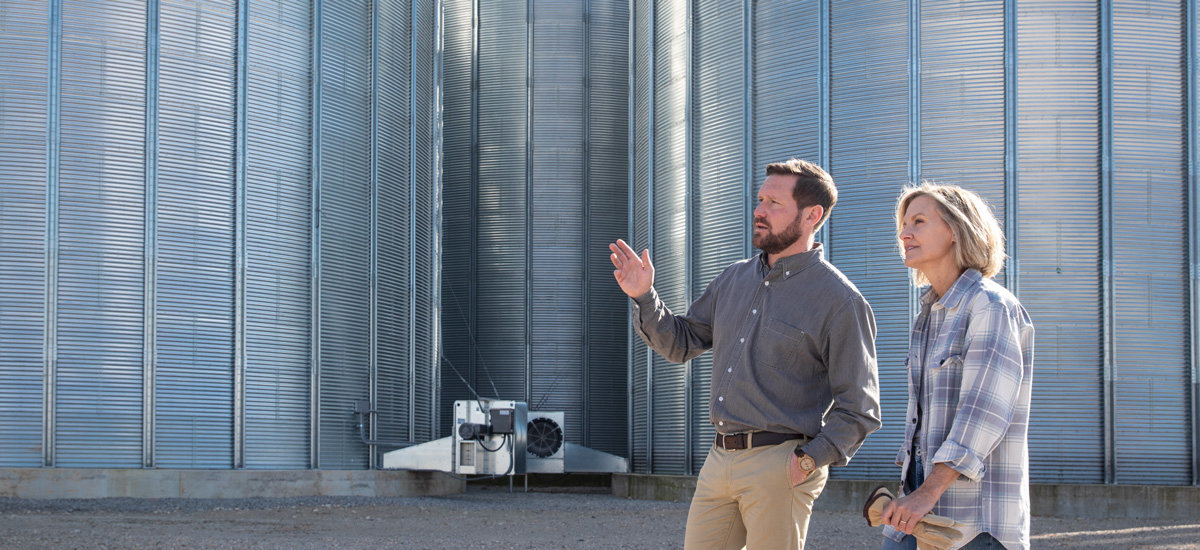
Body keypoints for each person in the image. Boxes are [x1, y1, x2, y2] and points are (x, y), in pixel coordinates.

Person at [609, 159, 882, 549]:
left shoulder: (840, 301)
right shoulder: (733, 278)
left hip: (781, 463)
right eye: (760, 200)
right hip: (720, 459)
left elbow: (860, 408)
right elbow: (680, 343)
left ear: (812, 215)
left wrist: (806, 461)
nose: (759, 210)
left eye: (774, 203)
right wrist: (644, 296)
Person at [880, 183, 1035, 550]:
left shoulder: (990, 306)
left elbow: (983, 414)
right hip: (916, 512)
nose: (904, 234)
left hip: (972, 525)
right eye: (904, 224)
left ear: (956, 230)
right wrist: (913, 493)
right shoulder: (928, 314)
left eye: (918, 222)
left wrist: (926, 494)